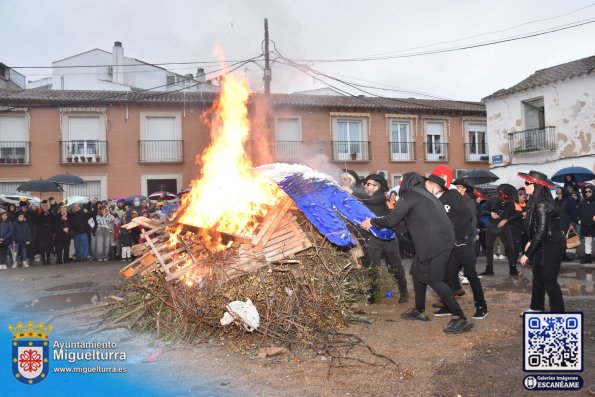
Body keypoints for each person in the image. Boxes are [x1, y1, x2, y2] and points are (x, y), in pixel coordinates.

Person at [362, 172, 473, 334]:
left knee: (433, 279)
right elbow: (405, 223)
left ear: (407, 183)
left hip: (435, 242)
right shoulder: (424, 195)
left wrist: (372, 221)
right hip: (438, 240)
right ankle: (419, 310)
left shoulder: (409, 197)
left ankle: (461, 317)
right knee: (417, 272)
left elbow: (392, 220)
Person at [427, 167, 488, 320]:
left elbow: (467, 214)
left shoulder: (452, 195)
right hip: (450, 245)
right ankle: (448, 306)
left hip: (464, 242)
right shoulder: (435, 200)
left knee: (470, 275)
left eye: (428, 183)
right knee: (448, 275)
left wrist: (461, 232)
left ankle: (481, 306)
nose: (426, 186)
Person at [518, 171, 565, 313]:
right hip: (543, 242)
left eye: (527, 183)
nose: (524, 186)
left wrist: (528, 253)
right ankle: (536, 307)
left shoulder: (541, 205)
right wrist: (531, 241)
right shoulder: (535, 201)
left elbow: (542, 231)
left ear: (537, 185)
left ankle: (559, 314)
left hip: (552, 244)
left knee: (549, 278)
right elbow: (538, 228)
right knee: (538, 275)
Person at [359, 174, 408, 304]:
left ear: (378, 187)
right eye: (366, 184)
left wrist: (352, 192)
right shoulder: (365, 199)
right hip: (373, 239)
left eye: (369, 184)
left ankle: (404, 292)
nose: (366, 186)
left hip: (389, 238)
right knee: (373, 267)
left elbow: (374, 200)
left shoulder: (380, 196)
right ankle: (374, 293)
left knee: (395, 266)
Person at [479, 184, 523, 278]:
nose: (505, 201)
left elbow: (517, 214)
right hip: (491, 226)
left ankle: (513, 269)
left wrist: (506, 220)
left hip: (504, 226)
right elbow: (481, 211)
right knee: (489, 248)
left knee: (510, 247)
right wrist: (491, 213)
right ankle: (489, 269)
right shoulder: (493, 199)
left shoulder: (511, 201)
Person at [577, 184, 595, 264]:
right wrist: (580, 220)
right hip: (586, 225)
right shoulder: (582, 202)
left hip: (594, 225)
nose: (587, 193)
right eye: (586, 191)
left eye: (589, 191)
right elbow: (578, 213)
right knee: (587, 241)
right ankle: (588, 257)